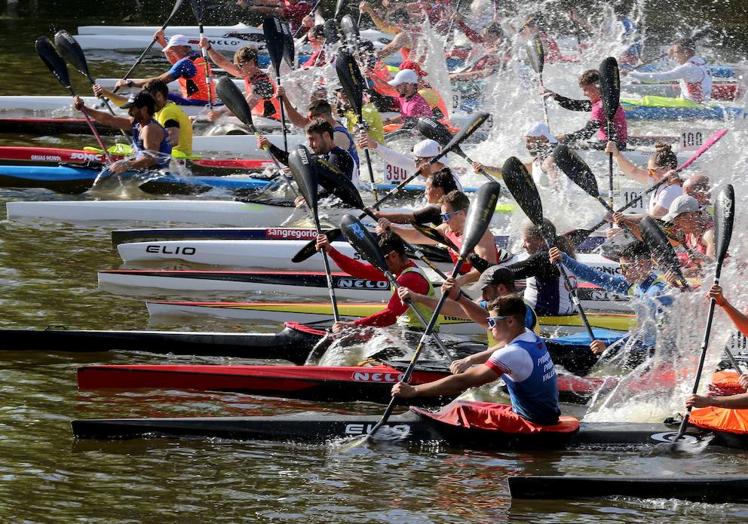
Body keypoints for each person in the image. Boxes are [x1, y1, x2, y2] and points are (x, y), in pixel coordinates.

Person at [392, 294, 562, 427]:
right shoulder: (529, 336)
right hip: (547, 415)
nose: (489, 326)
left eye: (492, 321)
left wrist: (414, 391)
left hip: (532, 422)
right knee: (464, 407)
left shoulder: (512, 354)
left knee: (459, 410)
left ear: (510, 321)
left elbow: (464, 381)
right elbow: (502, 347)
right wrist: (470, 359)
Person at [549, 240, 678, 361]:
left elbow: (652, 337)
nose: (622, 272)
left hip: (658, 354)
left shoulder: (656, 292)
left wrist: (610, 347)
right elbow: (595, 276)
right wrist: (565, 259)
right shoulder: (632, 285)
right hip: (645, 347)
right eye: (621, 267)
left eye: (626, 267)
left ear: (646, 264)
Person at [316, 230, 435, 332]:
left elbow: (390, 315)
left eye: (380, 260)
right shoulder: (396, 268)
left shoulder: (410, 278)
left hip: (419, 335)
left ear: (393, 255)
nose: (379, 264)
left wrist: (354, 325)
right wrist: (330, 250)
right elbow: (360, 270)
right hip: (406, 329)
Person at [380, 190, 500, 286]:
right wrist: (392, 228)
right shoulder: (447, 229)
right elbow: (417, 236)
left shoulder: (481, 233)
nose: (444, 221)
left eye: (447, 216)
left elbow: (488, 268)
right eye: (442, 217)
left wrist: (460, 281)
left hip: (486, 282)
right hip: (462, 278)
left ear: (462, 214)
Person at [72, 91, 172, 173]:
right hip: (141, 171)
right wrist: (84, 109)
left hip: (154, 175)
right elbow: (108, 119)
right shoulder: (136, 123)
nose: (129, 112)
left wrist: (126, 165)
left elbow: (151, 159)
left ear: (144, 109)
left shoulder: (150, 129)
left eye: (132, 108)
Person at [93, 80, 193, 158]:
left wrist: (149, 147)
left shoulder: (168, 112)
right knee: (121, 147)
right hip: (170, 153)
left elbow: (174, 140)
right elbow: (129, 103)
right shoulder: (159, 107)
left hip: (178, 156)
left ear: (159, 96)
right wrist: (107, 94)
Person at [258, 118, 355, 197]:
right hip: (329, 206)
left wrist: (309, 200)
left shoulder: (339, 156)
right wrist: (270, 147)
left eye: (312, 139)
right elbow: (295, 161)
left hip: (341, 212)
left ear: (326, 136)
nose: (310, 145)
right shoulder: (324, 155)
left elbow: (334, 188)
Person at [115, 33, 214, 106]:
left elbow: (158, 81)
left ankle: (135, 109)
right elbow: (176, 63)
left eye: (172, 50)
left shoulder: (185, 63)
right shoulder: (198, 57)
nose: (171, 53)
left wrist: (129, 83)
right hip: (208, 100)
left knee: (153, 91)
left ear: (180, 48)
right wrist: (162, 42)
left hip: (197, 103)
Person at [503, 220, 577, 317]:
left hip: (545, 316)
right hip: (567, 313)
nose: (523, 245)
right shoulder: (564, 252)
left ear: (542, 240)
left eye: (527, 240)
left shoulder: (543, 258)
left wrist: (478, 262)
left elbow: (504, 273)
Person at [275, 97, 360, 179]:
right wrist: (284, 99)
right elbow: (299, 121)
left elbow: (328, 167)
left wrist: (299, 168)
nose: (308, 120)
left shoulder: (338, 135)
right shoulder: (324, 127)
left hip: (347, 181)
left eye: (310, 118)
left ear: (321, 117)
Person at [544, 69, 628, 150]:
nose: (584, 94)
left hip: (612, 148)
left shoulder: (600, 107)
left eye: (586, 90)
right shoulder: (607, 102)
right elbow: (575, 105)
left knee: (561, 147)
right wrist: (554, 96)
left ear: (597, 86)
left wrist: (565, 138)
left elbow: (587, 133)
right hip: (618, 145)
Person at [198, 39, 280, 121]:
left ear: (251, 63)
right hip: (259, 118)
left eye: (240, 65)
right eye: (236, 65)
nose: (237, 68)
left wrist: (220, 116)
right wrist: (208, 47)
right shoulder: (248, 73)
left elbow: (244, 109)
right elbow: (223, 62)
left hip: (273, 123)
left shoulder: (262, 83)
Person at [605, 141, 682, 218]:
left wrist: (622, 217)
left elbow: (654, 219)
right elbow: (633, 172)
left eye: (652, 171)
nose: (649, 174)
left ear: (667, 168)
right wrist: (617, 154)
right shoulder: (658, 181)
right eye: (648, 170)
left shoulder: (672, 190)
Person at [358, 133, 459, 188]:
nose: (415, 164)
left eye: (417, 160)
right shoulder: (423, 167)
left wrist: (429, 176)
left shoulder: (451, 179)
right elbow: (396, 159)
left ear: (430, 160)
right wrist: (375, 145)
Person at [628, 37, 712, 103]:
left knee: (648, 100)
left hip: (692, 106)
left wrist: (631, 74)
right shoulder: (701, 61)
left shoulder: (688, 68)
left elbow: (655, 78)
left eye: (675, 52)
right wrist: (675, 49)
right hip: (702, 103)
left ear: (686, 52)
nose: (674, 56)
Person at [371, 168, 458, 226]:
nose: (425, 192)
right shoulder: (455, 200)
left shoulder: (437, 209)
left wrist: (375, 214)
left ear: (439, 190)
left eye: (428, 188)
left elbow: (406, 218)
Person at [662, 194, 716, 259]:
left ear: (691, 215)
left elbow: (715, 264)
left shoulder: (709, 234)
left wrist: (701, 259)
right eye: (675, 220)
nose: (676, 224)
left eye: (678, 219)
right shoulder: (689, 234)